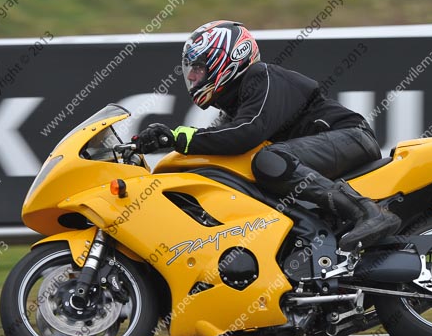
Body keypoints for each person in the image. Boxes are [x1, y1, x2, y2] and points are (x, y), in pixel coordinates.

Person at [133, 20, 400, 250]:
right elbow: (224, 138)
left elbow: (246, 133)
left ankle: (368, 212)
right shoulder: (236, 103)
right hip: (331, 148)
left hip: (351, 136)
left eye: (199, 67)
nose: (192, 75)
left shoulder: (261, 77)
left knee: (269, 159)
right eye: (190, 68)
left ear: (225, 59)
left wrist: (179, 137)